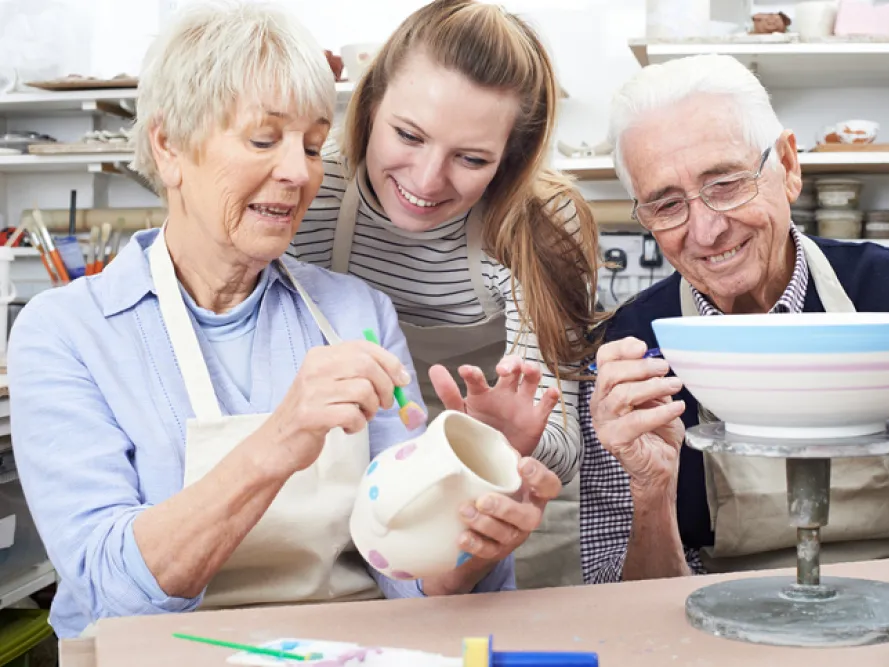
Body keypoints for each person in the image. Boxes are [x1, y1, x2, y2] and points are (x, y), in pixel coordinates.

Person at [7, 2, 562, 639]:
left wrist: (474, 512)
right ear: (168, 146)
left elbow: (405, 576)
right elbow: (109, 593)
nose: (298, 172)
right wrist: (278, 443)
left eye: (312, 144)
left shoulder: (356, 314)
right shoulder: (67, 332)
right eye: (264, 139)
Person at [579, 54, 889, 582]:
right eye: (667, 205)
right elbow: (622, 609)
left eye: (726, 183)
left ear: (788, 166)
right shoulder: (631, 355)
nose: (707, 230)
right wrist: (651, 492)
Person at [288, 0, 603, 589]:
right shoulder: (314, 194)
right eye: (408, 135)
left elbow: (564, 441)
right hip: (355, 498)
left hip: (502, 505)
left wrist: (511, 439)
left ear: (510, 155)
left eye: (471, 158)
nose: (427, 180)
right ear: (372, 101)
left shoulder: (538, 222)